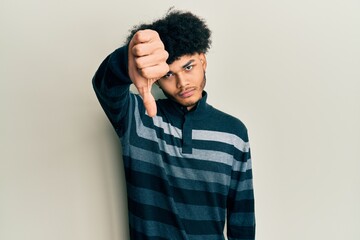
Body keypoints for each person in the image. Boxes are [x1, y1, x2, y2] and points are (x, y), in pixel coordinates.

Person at [92, 9, 255, 240]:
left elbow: (243, 222)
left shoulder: (234, 132)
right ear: (156, 76)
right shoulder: (137, 117)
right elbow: (105, 86)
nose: (182, 83)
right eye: (169, 75)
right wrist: (127, 59)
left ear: (203, 60)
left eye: (189, 67)